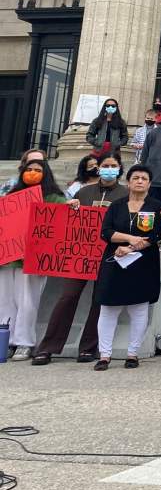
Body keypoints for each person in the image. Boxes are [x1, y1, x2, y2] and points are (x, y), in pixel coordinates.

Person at [33, 155, 126, 365]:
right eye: (105, 166)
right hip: (81, 254)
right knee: (68, 296)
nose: (109, 169)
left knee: (99, 301)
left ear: (119, 169)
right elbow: (70, 220)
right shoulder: (84, 192)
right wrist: (71, 207)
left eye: (113, 166)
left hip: (109, 255)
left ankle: (88, 347)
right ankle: (48, 347)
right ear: (99, 169)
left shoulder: (125, 194)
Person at [93, 164, 161, 371]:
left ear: (149, 183)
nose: (140, 181)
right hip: (116, 260)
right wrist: (129, 239)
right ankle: (104, 355)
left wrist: (131, 247)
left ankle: (133, 353)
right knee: (108, 309)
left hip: (142, 262)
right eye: (136, 178)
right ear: (128, 182)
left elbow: (155, 235)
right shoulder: (116, 205)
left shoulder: (157, 206)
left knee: (139, 309)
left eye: (144, 178)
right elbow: (106, 231)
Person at [0, 158, 67, 361]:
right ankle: (7, 340)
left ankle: (24, 342)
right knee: (5, 301)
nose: (32, 172)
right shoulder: (11, 196)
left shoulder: (54, 198)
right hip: (7, 258)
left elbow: (61, 223)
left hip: (33, 259)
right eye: (28, 169)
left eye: (37, 170)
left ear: (45, 173)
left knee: (27, 301)